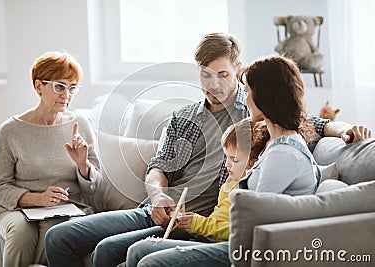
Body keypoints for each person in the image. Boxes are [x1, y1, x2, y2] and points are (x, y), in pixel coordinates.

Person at [45, 33, 371, 267]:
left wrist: (348, 129)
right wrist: (158, 196)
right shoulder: (185, 118)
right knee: (59, 238)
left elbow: (311, 123)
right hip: (156, 209)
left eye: (224, 75)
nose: (213, 84)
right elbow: (159, 168)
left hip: (199, 220)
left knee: (108, 250)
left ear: (238, 71)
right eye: (205, 74)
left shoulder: (260, 118)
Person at [122, 55, 322, 266]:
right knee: (138, 249)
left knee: (149, 261)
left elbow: (254, 220)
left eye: (249, 92)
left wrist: (202, 226)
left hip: (245, 249)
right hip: (234, 239)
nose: (245, 99)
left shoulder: (283, 153)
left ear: (265, 97)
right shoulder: (274, 144)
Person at [0, 51, 102, 267]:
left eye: (72, 88)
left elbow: (95, 187)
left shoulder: (81, 124)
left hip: (68, 207)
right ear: (39, 86)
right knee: (21, 235)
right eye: (59, 86)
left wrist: (82, 165)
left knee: (54, 233)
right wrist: (37, 199)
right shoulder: (10, 131)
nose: (66, 95)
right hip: (18, 209)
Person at [125, 118, 268, 267]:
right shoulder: (231, 182)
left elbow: (237, 230)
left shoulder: (250, 188)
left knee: (141, 253)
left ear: (253, 163)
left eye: (234, 160)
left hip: (218, 245)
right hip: (205, 238)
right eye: (226, 157)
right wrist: (190, 225)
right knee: (135, 250)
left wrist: (200, 224)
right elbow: (219, 216)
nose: (227, 164)